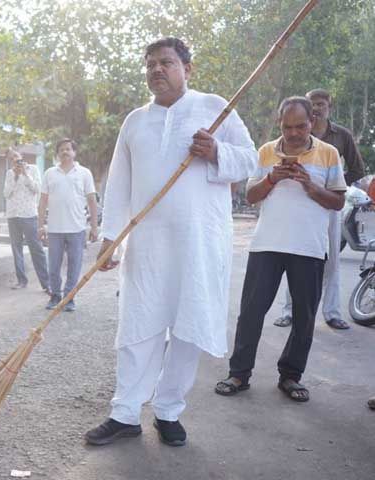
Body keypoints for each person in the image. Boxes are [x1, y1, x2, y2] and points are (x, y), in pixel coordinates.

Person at [87, 37, 258, 447]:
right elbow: (120, 182)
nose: (156, 70)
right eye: (150, 64)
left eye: (166, 62)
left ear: (187, 68)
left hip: (198, 242)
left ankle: (168, 411)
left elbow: (250, 160)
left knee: (188, 325)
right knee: (139, 323)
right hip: (147, 243)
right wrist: (111, 236)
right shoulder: (134, 121)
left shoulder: (215, 107)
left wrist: (216, 151)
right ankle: (125, 413)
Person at [216, 96, 346, 403]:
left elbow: (338, 201)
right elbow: (251, 196)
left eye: (300, 126)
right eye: (288, 127)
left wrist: (310, 185)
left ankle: (290, 376)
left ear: (312, 122)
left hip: (309, 248)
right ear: (279, 124)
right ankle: (239, 373)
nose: (294, 133)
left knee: (304, 317)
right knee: (251, 312)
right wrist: (272, 177)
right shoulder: (265, 151)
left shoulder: (328, 153)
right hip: (266, 245)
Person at [273, 89, 366, 330]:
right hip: (299, 202)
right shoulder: (297, 131)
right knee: (295, 254)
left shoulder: (342, 136)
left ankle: (332, 312)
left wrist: (333, 184)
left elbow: (358, 169)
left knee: (332, 258)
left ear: (329, 107)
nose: (317, 108)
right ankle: (289, 311)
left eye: (321, 104)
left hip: (330, 203)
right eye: (312, 104)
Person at [38, 138, 98, 312]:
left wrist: (94, 227)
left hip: (77, 228)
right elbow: (43, 201)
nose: (65, 152)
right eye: (61, 150)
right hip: (54, 229)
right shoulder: (50, 173)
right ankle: (55, 296)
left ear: (74, 152)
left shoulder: (84, 173)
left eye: (68, 149)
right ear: (57, 154)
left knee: (74, 266)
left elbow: (92, 200)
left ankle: (69, 298)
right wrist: (40, 226)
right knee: (53, 266)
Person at [4, 149, 49, 292]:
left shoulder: (33, 169)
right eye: (11, 159)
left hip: (29, 214)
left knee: (36, 249)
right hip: (13, 215)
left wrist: (25, 174)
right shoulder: (9, 173)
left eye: (16, 157)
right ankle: (21, 280)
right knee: (16, 249)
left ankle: (46, 283)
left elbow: (37, 189)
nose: (14, 160)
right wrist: (16, 177)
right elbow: (6, 194)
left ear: (21, 157)